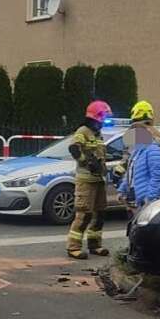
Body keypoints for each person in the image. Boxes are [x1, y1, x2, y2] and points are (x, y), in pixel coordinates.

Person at [66, 100, 112, 260]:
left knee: (100, 214)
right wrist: (87, 162)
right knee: (84, 214)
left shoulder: (97, 134)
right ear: (97, 116)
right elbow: (73, 148)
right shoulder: (83, 131)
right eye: (104, 116)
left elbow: (100, 154)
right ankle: (73, 247)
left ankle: (95, 245)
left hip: (99, 180)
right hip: (86, 180)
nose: (105, 120)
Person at [117, 101, 160, 212]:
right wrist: (122, 190)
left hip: (150, 200)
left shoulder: (153, 149)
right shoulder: (137, 151)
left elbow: (157, 176)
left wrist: (149, 198)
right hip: (139, 197)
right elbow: (131, 172)